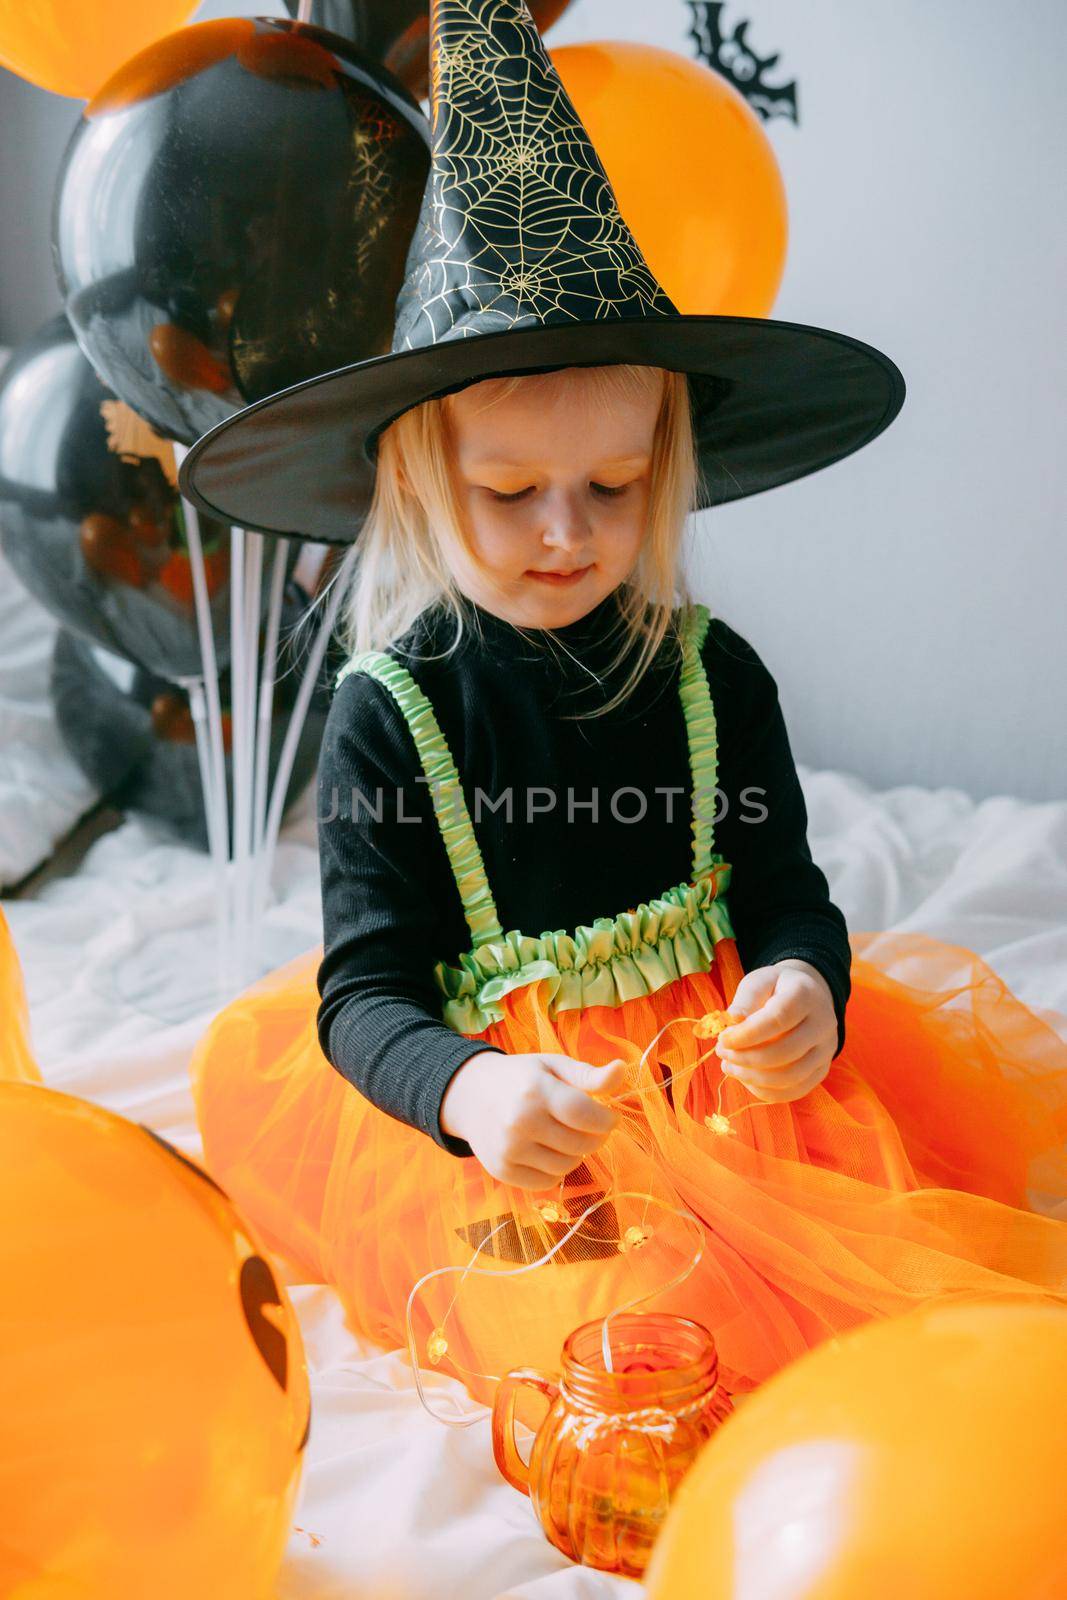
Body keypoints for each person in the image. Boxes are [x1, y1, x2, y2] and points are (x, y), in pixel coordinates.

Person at [182, 0, 1067, 1410]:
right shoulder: (390, 717)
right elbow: (366, 994)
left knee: (856, 1299)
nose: (565, 533)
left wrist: (802, 987)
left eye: (612, 485)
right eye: (510, 492)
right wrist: (469, 1094)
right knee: (629, 1348)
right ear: (420, 476)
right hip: (535, 1120)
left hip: (729, 1087)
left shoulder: (716, 674)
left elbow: (785, 890)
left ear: (663, 465)